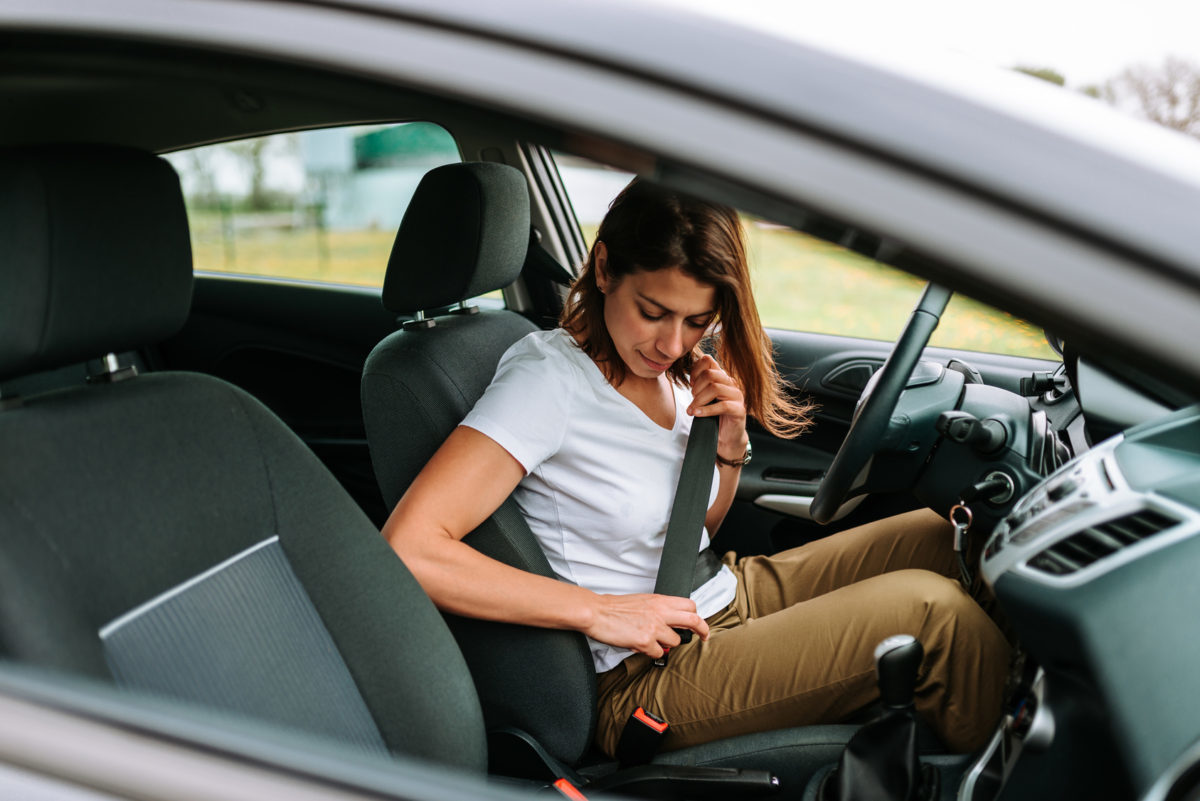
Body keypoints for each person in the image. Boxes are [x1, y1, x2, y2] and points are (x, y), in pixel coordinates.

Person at [383, 178, 1010, 757]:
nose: (673, 344)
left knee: (957, 535)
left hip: (717, 594)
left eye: (698, 321)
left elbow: (694, 530)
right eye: (653, 312)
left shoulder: (676, 372)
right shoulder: (548, 382)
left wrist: (729, 442)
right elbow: (411, 548)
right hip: (640, 672)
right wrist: (598, 610)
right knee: (934, 616)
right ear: (604, 268)